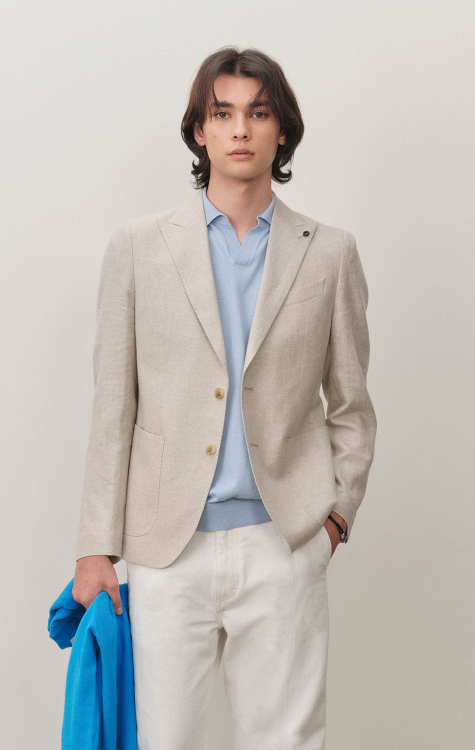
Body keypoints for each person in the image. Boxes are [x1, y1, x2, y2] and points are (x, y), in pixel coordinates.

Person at [72, 46, 377, 750]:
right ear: (199, 130)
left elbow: (352, 407)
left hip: (283, 541)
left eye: (258, 113)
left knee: (286, 741)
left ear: (281, 130)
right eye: (223, 113)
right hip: (166, 549)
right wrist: (95, 549)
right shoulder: (138, 247)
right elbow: (113, 409)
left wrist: (333, 521)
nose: (241, 128)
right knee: (163, 741)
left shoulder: (330, 252)